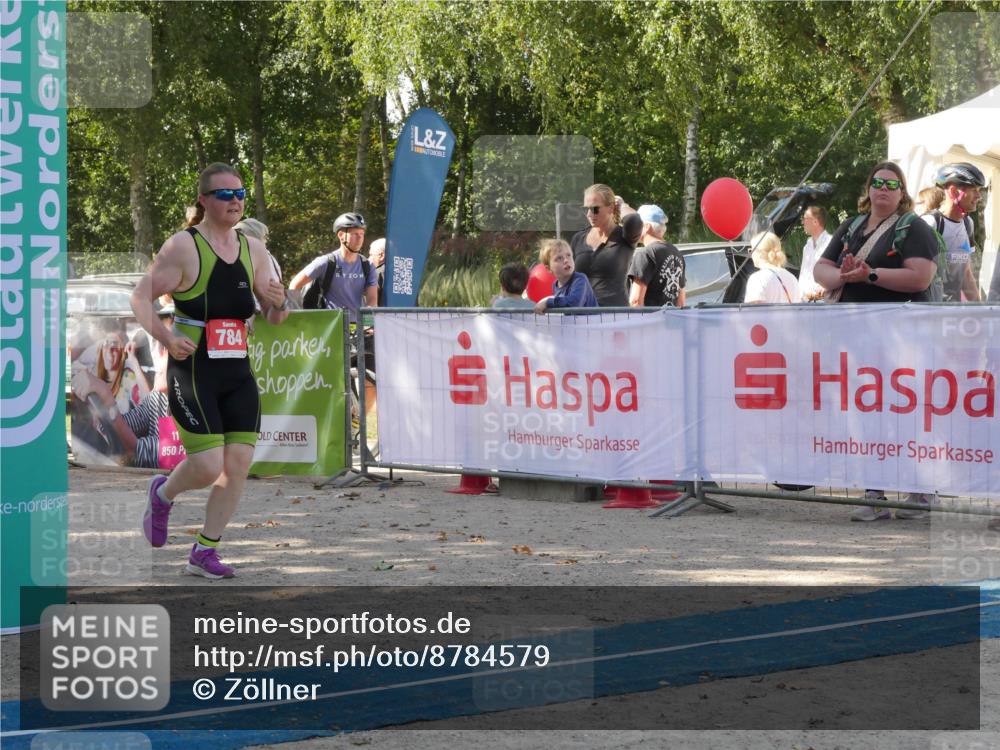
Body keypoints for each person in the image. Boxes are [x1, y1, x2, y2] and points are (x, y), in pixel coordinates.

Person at [130, 162, 289, 579]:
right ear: (204, 200)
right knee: (205, 466)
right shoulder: (183, 246)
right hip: (193, 369)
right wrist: (166, 340)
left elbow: (275, 318)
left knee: (237, 466)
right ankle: (163, 494)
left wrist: (279, 299)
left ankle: (204, 551)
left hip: (237, 371)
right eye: (225, 194)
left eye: (240, 194)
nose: (235, 201)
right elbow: (139, 299)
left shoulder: (253, 248)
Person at [813, 161, 939, 521]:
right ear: (868, 189)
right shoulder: (850, 226)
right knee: (866, 416)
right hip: (859, 340)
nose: (883, 189)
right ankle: (874, 494)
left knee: (908, 415)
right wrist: (843, 275)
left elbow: (920, 276)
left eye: (892, 184)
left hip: (905, 340)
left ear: (902, 193)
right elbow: (820, 269)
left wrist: (868, 274)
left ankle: (919, 494)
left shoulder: (911, 227)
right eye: (878, 182)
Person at [289, 213, 378, 322]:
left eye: (362, 234)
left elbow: (372, 300)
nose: (360, 238)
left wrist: (368, 324)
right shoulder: (326, 262)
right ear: (341, 235)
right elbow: (294, 285)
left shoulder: (367, 265)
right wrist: (296, 318)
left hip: (357, 328)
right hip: (329, 328)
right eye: (355, 234)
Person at [926, 162, 987, 302]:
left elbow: (965, 273)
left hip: (952, 310)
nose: (979, 196)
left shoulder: (968, 223)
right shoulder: (930, 223)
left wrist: (979, 308)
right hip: (929, 310)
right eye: (974, 190)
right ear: (953, 192)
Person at [570, 184, 635, 307]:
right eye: (586, 209)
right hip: (582, 315)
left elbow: (634, 220)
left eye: (595, 209)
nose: (589, 214)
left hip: (613, 317)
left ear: (610, 208)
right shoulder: (578, 238)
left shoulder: (624, 236)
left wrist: (622, 205)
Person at [627, 204, 685, 308]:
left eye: (637, 224)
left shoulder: (645, 254)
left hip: (649, 322)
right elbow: (681, 301)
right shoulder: (677, 253)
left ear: (647, 227)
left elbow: (636, 301)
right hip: (671, 321)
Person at [534, 239, 597, 313]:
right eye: (559, 258)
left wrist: (547, 302)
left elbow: (574, 303)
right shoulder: (555, 285)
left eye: (568, 255)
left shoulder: (580, 279)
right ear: (548, 268)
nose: (566, 260)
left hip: (591, 323)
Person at [743, 231, 799, 304]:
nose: (750, 254)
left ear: (759, 253)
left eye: (751, 250)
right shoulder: (792, 278)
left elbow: (753, 312)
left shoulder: (757, 279)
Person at [797, 205, 831, 301]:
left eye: (805, 219)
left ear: (815, 221)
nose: (803, 222)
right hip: (804, 301)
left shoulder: (830, 243)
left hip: (823, 302)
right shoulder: (807, 247)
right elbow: (803, 275)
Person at [368, 237, 386, 307]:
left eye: (371, 255)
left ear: (381, 256)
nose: (368, 259)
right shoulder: (404, 272)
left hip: (382, 316)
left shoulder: (376, 273)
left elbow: (371, 303)